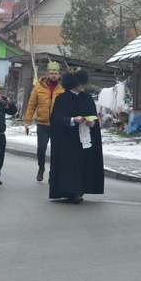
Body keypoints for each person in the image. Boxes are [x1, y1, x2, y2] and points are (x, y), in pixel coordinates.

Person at [48, 68, 104, 203]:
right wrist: (73, 120)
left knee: (83, 164)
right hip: (68, 139)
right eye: (80, 83)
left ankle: (80, 189)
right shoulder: (62, 98)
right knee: (70, 165)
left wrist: (93, 123)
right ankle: (73, 192)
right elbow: (56, 119)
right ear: (73, 83)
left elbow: (93, 116)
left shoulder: (87, 97)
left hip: (84, 138)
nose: (82, 85)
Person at [24, 61, 65, 182]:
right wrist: (27, 121)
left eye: (56, 73)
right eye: (51, 73)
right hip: (43, 123)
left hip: (58, 124)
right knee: (41, 148)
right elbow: (32, 105)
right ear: (46, 74)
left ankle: (53, 173)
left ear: (59, 75)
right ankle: (41, 167)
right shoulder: (38, 87)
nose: (54, 75)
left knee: (56, 150)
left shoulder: (63, 87)